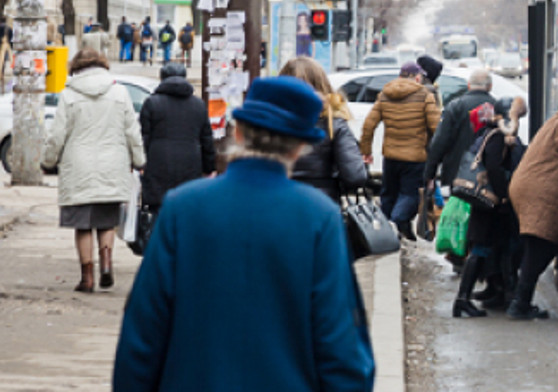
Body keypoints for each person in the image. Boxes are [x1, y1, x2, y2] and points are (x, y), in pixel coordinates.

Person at [112, 76, 376, 391]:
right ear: (300, 148)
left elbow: (144, 327)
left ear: (238, 132)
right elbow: (340, 340)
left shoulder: (183, 208)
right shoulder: (319, 217)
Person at [40, 49, 145, 293]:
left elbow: (57, 136)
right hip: (113, 165)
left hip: (78, 167)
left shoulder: (68, 95)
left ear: (76, 67)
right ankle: (106, 264)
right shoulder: (120, 92)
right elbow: (132, 131)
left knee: (83, 224)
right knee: (107, 221)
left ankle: (87, 278)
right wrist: (139, 160)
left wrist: (48, 160)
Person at [507, 99, 558, 320]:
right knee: (540, 247)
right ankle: (519, 304)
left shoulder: (557, 120)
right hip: (542, 193)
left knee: (534, 246)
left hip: (529, 188)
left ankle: (515, 297)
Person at [449, 101, 519, 318]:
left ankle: (491, 294)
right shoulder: (498, 136)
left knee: (486, 248)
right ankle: (462, 300)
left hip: (485, 204)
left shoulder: (488, 131)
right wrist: (504, 196)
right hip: (490, 205)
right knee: (480, 250)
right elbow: (494, 168)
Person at [360, 62, 441, 240]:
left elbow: (369, 125)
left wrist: (366, 150)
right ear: (417, 77)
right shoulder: (424, 95)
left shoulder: (385, 94)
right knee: (410, 194)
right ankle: (398, 220)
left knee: (388, 192)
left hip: (390, 156)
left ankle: (386, 229)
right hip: (415, 157)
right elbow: (436, 127)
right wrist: (438, 153)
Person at [281, 56, 369, 202]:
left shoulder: (270, 119)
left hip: (278, 203)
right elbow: (355, 176)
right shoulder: (333, 123)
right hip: (321, 204)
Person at [139, 63, 216, 212]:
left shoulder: (152, 103)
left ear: (162, 78)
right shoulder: (198, 105)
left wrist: (141, 164)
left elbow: (144, 138)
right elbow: (207, 140)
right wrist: (209, 168)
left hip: (157, 164)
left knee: (158, 211)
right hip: (190, 164)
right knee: (186, 210)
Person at [424, 69, 497, 197]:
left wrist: (430, 174)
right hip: (489, 175)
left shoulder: (455, 106)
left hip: (457, 174)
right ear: (490, 87)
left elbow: (440, 142)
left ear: (469, 85)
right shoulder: (497, 108)